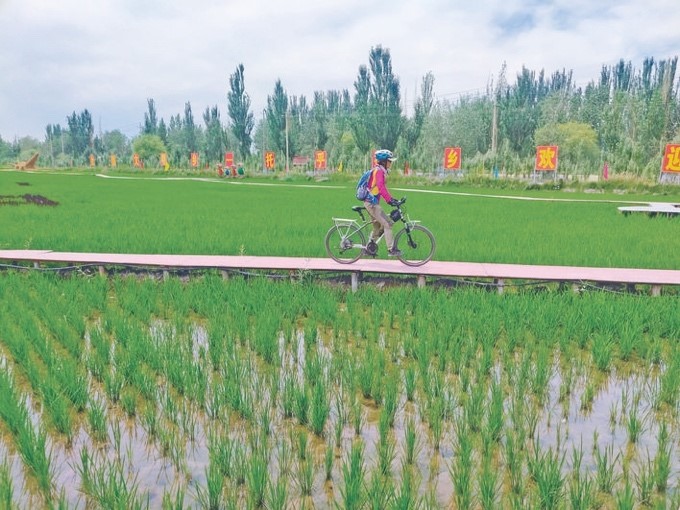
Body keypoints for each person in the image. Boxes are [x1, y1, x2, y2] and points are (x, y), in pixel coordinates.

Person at [363, 149, 402, 256]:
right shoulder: (379, 171)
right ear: (384, 161)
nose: (391, 163)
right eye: (389, 161)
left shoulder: (379, 170)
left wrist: (391, 199)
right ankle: (391, 249)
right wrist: (389, 200)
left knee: (377, 227)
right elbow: (381, 187)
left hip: (370, 202)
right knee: (388, 224)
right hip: (372, 204)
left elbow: (381, 188)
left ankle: (369, 248)